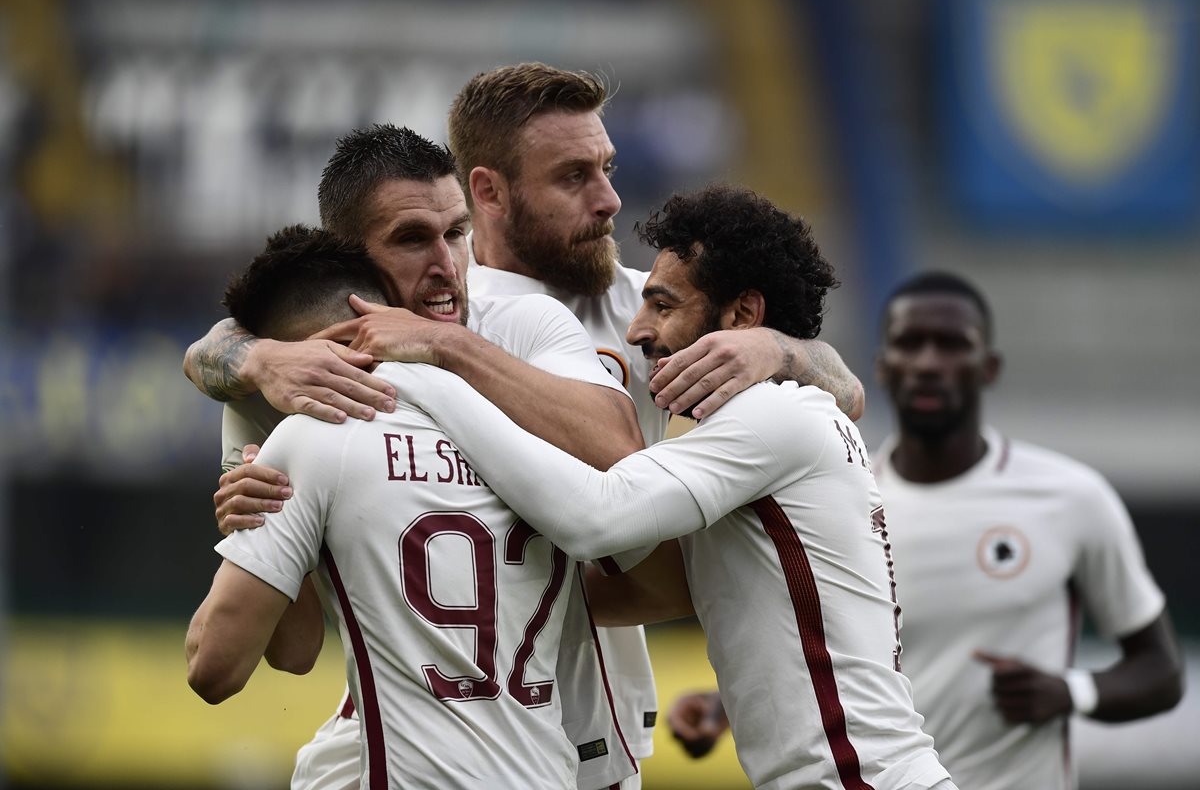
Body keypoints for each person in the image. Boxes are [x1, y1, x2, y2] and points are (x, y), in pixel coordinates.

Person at [204, 63, 866, 789]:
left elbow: (841, 395)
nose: (609, 199)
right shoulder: (330, 352)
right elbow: (224, 348)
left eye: (607, 169)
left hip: (583, 732)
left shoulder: (646, 305)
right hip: (410, 738)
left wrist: (783, 350)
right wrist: (253, 359)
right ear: (490, 190)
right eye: (574, 177)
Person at [377, 184, 956, 790]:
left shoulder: (771, 416)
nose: (636, 330)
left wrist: (434, 366)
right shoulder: (791, 416)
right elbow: (642, 590)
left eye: (662, 305)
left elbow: (595, 516)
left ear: (742, 316)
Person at [192, 126, 643, 789]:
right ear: (352, 261)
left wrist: (443, 347)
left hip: (582, 723)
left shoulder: (522, 323)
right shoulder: (291, 382)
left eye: (456, 232)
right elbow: (293, 651)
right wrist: (256, 514)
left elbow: (619, 454)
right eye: (411, 239)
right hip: (426, 735)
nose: (447, 264)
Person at [667, 270, 1185, 790]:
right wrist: (723, 707)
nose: (929, 362)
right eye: (910, 344)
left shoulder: (1071, 498)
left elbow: (1162, 671)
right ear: (882, 367)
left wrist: (1071, 693)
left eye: (952, 345)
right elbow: (828, 658)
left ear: (988, 367)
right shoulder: (836, 498)